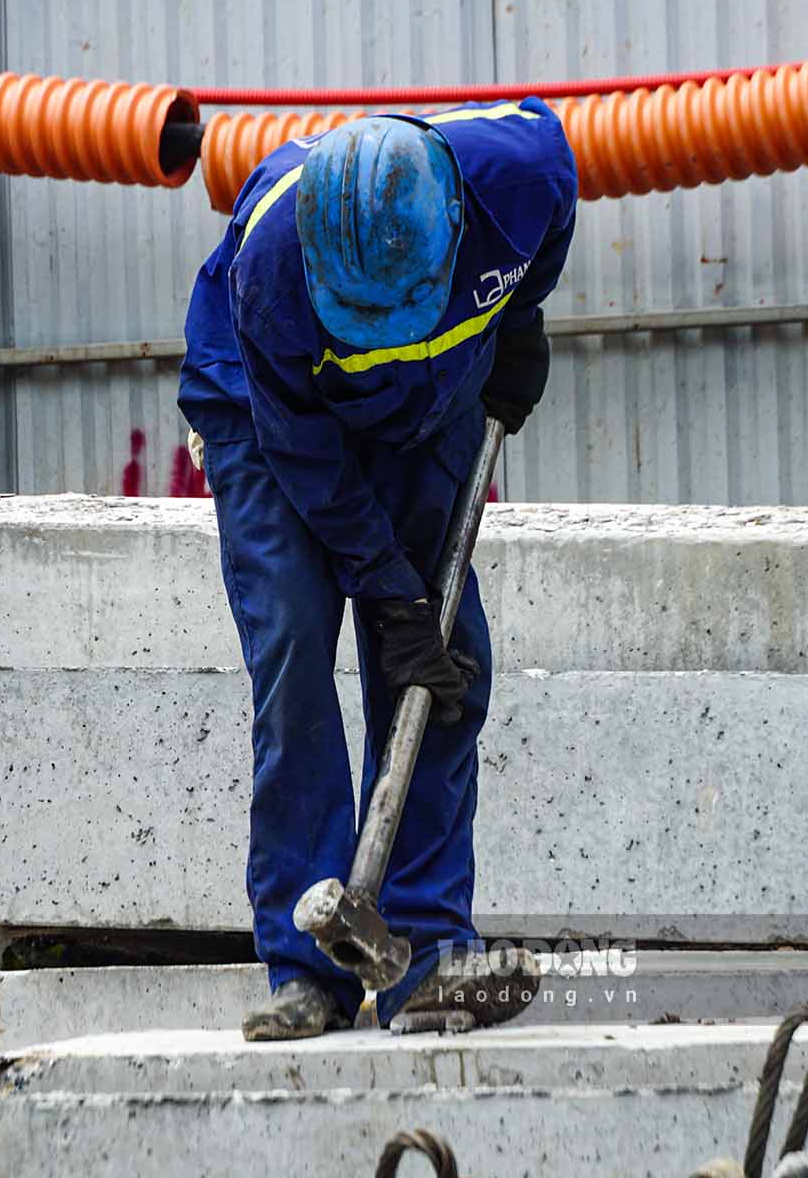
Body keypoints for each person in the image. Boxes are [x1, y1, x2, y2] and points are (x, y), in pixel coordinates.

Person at [177, 100, 578, 1040]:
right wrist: (388, 588)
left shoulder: (517, 174)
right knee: (292, 658)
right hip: (272, 423)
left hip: (429, 408)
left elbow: (552, 220)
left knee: (438, 674)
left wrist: (517, 323)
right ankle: (306, 969)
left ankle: (423, 958)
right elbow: (308, 462)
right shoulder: (274, 271)